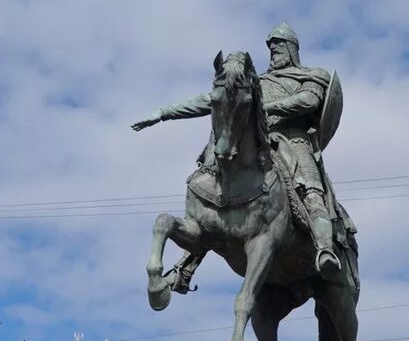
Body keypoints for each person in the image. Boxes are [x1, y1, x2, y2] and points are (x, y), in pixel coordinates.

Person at [132, 23, 352, 277]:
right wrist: (163, 113)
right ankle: (186, 265)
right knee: (217, 186)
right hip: (259, 140)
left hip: (294, 141)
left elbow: (309, 101)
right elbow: (209, 100)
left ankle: (324, 249)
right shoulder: (257, 82)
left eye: (279, 46)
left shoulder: (312, 75)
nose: (273, 52)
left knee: (311, 193)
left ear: (292, 48)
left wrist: (266, 107)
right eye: (270, 48)